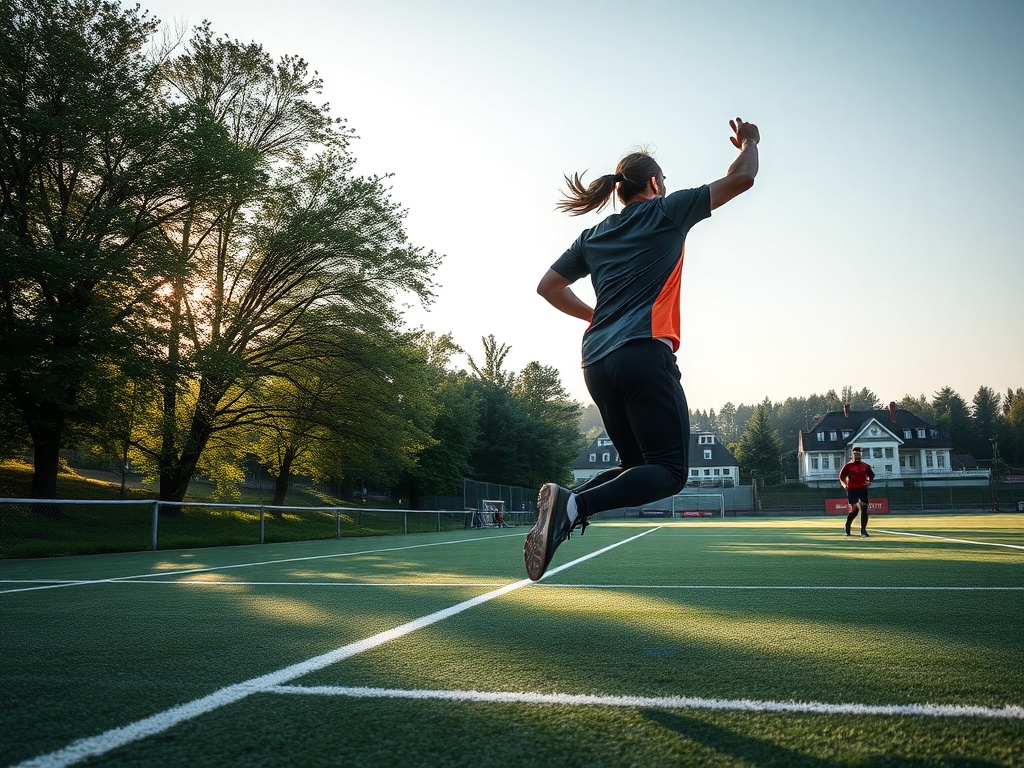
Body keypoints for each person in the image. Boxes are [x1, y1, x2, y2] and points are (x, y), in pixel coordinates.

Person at [524, 117, 761, 581]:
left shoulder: (592, 237)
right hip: (642, 352)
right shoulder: (667, 211)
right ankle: (575, 505)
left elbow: (549, 286)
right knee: (670, 472)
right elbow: (742, 177)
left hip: (596, 362)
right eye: (664, 180)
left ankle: (567, 506)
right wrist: (750, 141)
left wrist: (594, 316)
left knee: (638, 467)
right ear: (654, 183)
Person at [838, 446, 875, 537]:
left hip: (863, 489)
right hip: (852, 489)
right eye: (855, 453)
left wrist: (869, 482)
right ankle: (847, 526)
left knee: (864, 509)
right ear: (852, 454)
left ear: (861, 454)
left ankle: (863, 530)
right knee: (855, 510)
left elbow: (872, 475)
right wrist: (844, 485)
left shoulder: (865, 466)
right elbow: (841, 477)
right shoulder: (848, 466)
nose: (857, 455)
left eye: (859, 453)